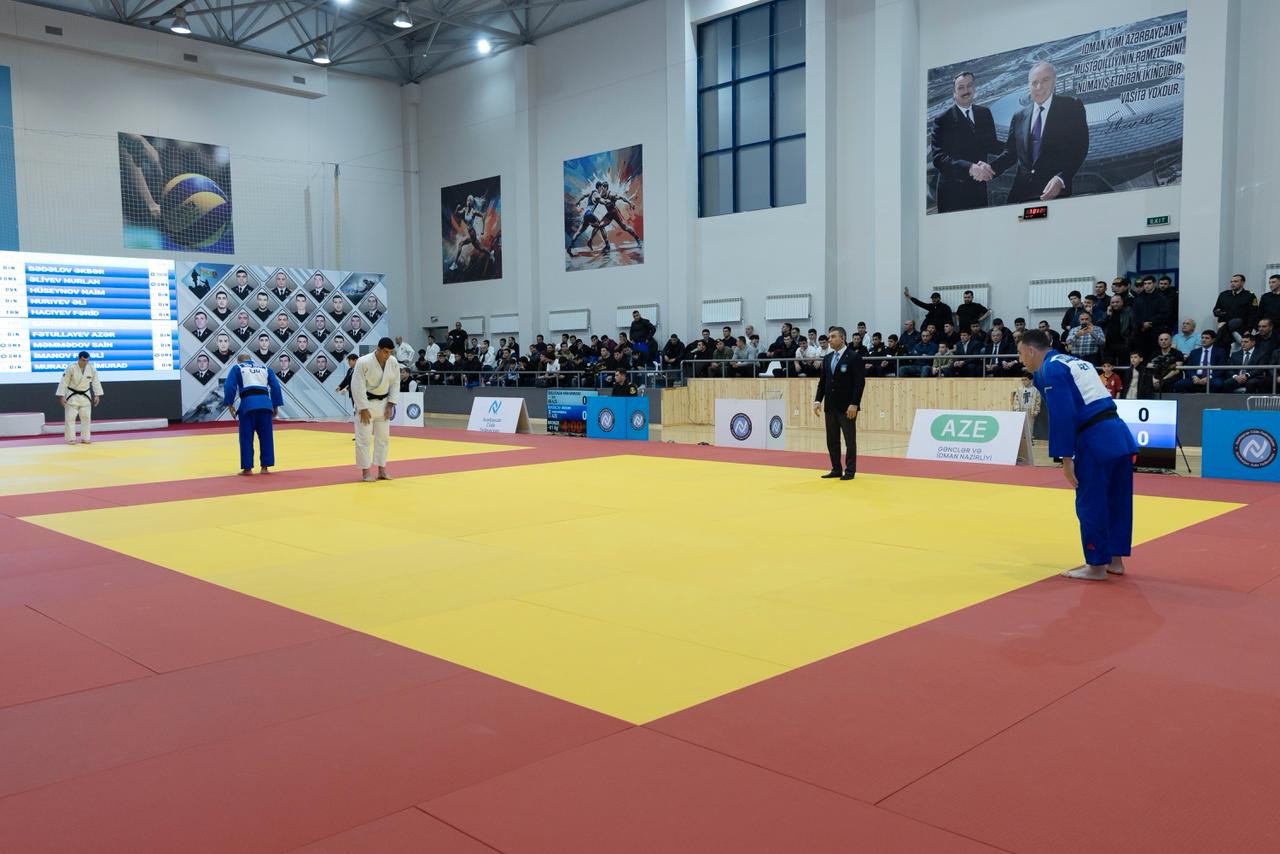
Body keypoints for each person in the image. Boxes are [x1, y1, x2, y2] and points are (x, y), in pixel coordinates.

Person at [1018, 329, 1137, 581]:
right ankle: (1115, 561)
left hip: (1095, 442)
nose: (1020, 359)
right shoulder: (1074, 362)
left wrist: (1065, 458)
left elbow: (1063, 414)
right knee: (1116, 502)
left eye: (1020, 353)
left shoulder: (1051, 368)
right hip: (1119, 435)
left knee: (1091, 502)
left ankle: (1096, 565)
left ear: (1031, 350)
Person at [981, 61, 1089, 203]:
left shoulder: (1072, 106)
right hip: (1020, 195)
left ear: (1054, 81)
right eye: (1034, 82)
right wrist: (989, 169)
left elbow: (1080, 147)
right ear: (1029, 85)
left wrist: (1062, 177)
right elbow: (1011, 154)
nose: (1039, 87)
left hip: (1053, 192)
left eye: (1045, 80)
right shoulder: (1019, 116)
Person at [929, 71, 1000, 213]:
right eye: (961, 87)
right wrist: (969, 167)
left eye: (969, 86)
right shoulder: (942, 120)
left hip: (979, 191)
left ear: (974, 88)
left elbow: (992, 145)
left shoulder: (984, 113)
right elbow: (938, 158)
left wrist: (1017, 144)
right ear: (954, 92)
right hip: (953, 194)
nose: (966, 91)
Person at [812, 326, 864, 481]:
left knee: (849, 440)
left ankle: (850, 470)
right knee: (832, 440)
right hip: (830, 406)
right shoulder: (827, 358)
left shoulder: (854, 357)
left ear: (842, 338)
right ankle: (836, 468)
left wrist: (854, 404)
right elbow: (823, 382)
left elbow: (859, 383)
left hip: (847, 407)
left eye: (833, 336)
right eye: (829, 337)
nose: (830, 339)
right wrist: (817, 400)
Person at [223, 353, 283, 476]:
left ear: (239, 361)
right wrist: (275, 405)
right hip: (265, 405)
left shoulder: (238, 368)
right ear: (251, 360)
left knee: (246, 438)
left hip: (248, 405)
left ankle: (247, 468)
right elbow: (276, 387)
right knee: (266, 437)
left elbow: (229, 386)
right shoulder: (265, 369)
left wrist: (229, 403)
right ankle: (265, 467)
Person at [351, 336, 400, 482]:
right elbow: (357, 385)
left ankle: (381, 470)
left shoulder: (393, 362)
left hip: (384, 404)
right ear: (377, 349)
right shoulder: (363, 362)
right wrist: (363, 408)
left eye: (390, 352)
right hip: (366, 403)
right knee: (363, 439)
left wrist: (390, 404)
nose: (388, 355)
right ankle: (366, 472)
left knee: (383, 439)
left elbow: (395, 383)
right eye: (385, 352)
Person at [55, 351, 103, 445]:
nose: (85, 362)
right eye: (83, 360)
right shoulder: (71, 367)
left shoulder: (91, 368)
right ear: (79, 358)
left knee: (86, 418)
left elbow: (96, 382)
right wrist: (61, 396)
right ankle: (71, 438)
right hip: (72, 395)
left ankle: (85, 438)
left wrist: (97, 395)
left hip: (85, 396)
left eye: (87, 361)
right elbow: (64, 382)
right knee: (70, 418)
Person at [1212, 274, 1257, 342]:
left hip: (1241, 329)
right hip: (1224, 330)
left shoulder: (1249, 295)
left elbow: (1253, 314)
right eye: (1231, 281)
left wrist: (1249, 330)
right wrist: (1218, 312)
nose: (1232, 283)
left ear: (1242, 283)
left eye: (1235, 281)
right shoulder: (1223, 295)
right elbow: (1215, 310)